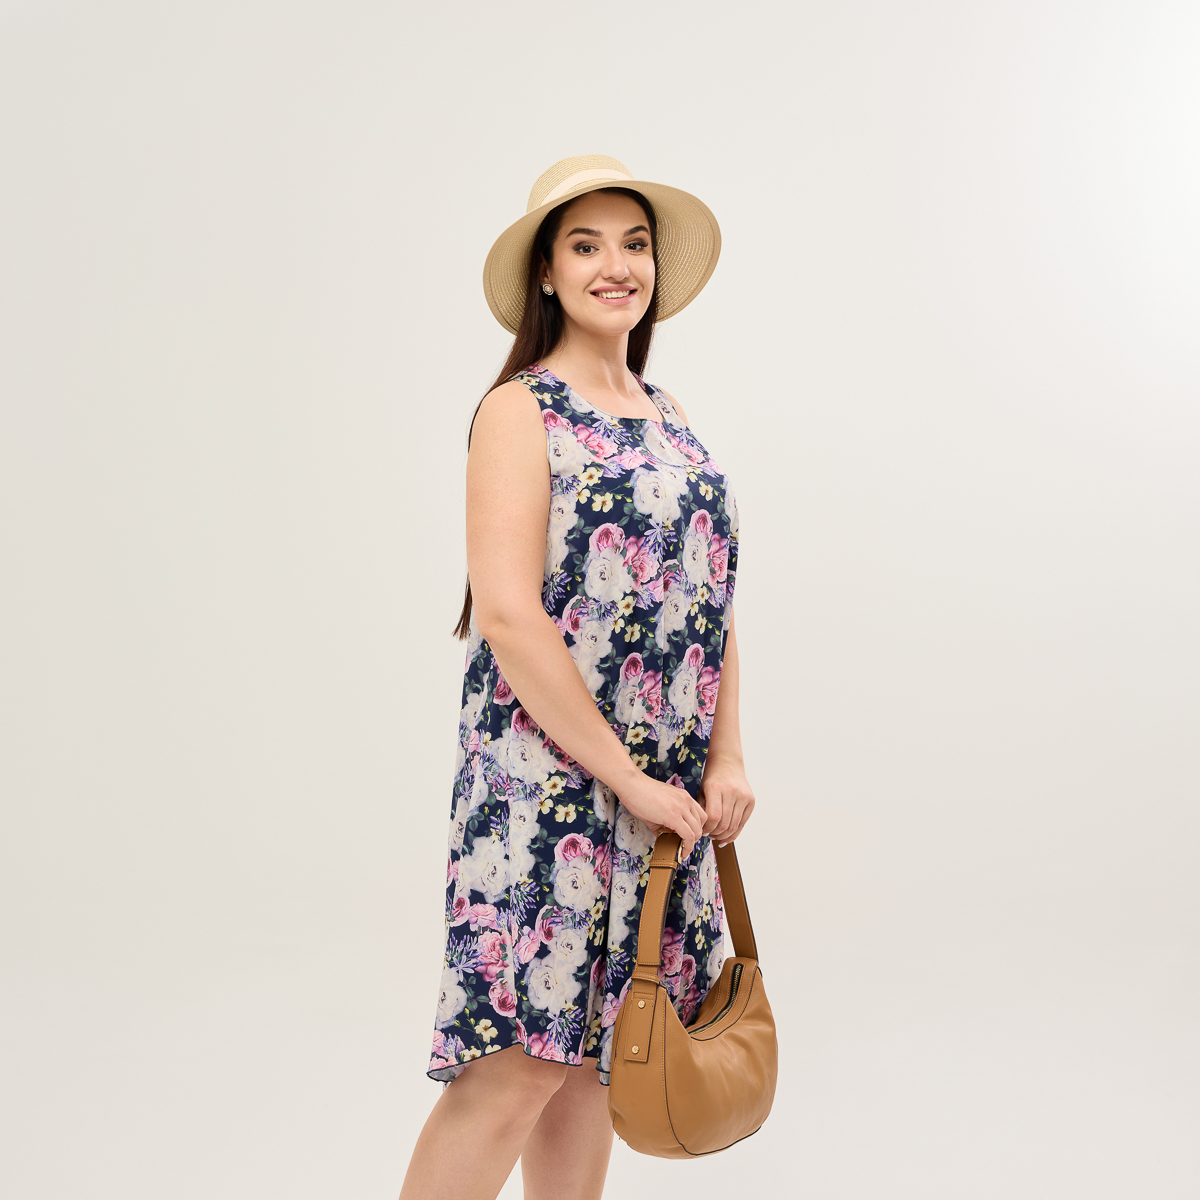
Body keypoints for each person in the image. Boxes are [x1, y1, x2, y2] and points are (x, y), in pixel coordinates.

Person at [399, 155, 756, 1200]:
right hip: (546, 785)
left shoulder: (670, 412)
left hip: (659, 797)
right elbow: (509, 615)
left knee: (602, 1059)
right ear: (547, 275)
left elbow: (710, 599)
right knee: (518, 1064)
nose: (616, 266)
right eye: (586, 245)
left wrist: (726, 756)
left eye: (634, 244)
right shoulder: (520, 410)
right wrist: (626, 778)